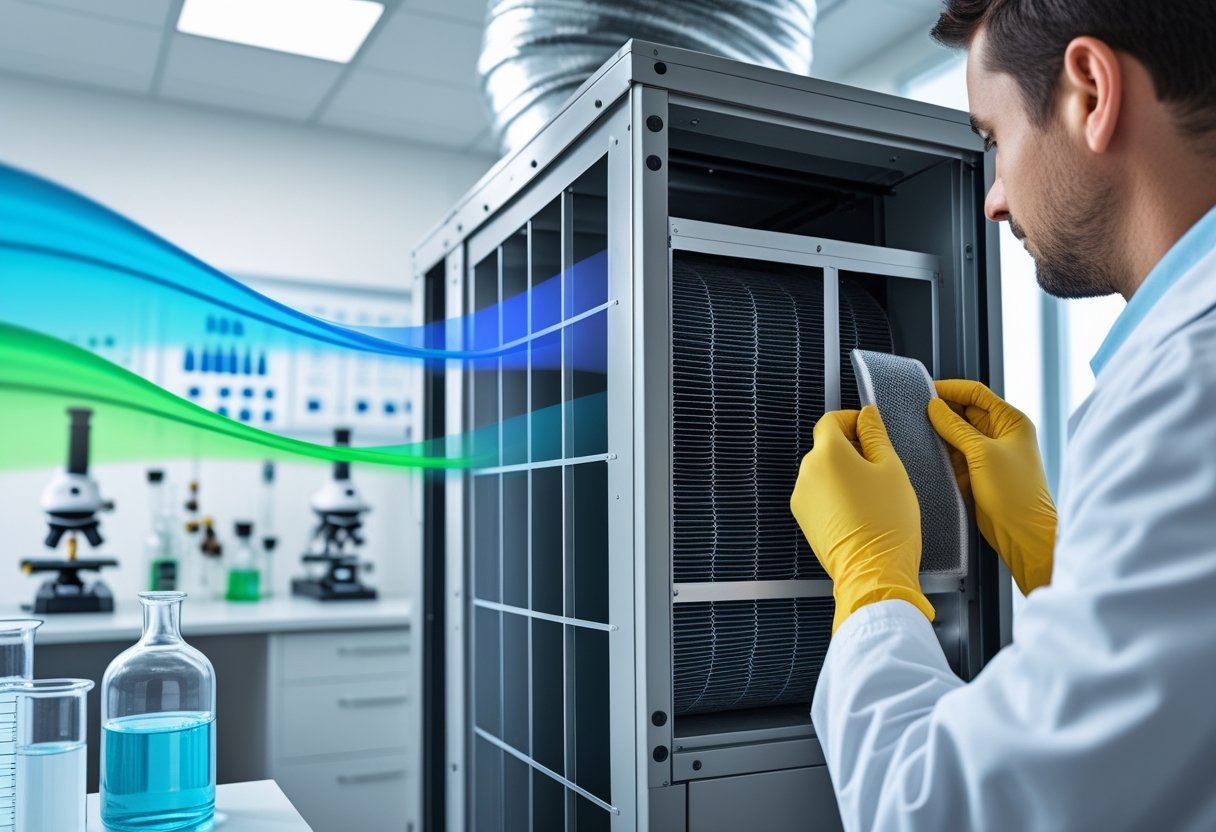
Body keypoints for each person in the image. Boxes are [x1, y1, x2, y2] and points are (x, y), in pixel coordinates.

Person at [789, 1, 1216, 829]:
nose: (991, 200)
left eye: (992, 138)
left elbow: (942, 809)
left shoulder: (1188, 396)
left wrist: (873, 586)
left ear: (1090, 92)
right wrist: (1057, 557)